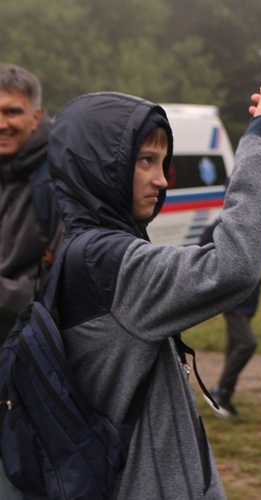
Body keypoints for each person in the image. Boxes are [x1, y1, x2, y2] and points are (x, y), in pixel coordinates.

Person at [48, 76, 261, 499]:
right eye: (144, 160)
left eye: (163, 162)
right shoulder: (101, 260)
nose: (163, 180)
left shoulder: (68, 247)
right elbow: (232, 266)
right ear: (98, 165)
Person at [0, 63, 58, 500]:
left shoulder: (57, 178)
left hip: (29, 368)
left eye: (13, 112)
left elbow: (65, 284)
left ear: (37, 116)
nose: (2, 123)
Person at [199, 219, 261, 419]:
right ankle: (219, 390)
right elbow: (201, 251)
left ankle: (225, 396)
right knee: (247, 344)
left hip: (248, 300)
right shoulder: (221, 225)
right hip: (233, 301)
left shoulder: (252, 225)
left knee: (233, 348)